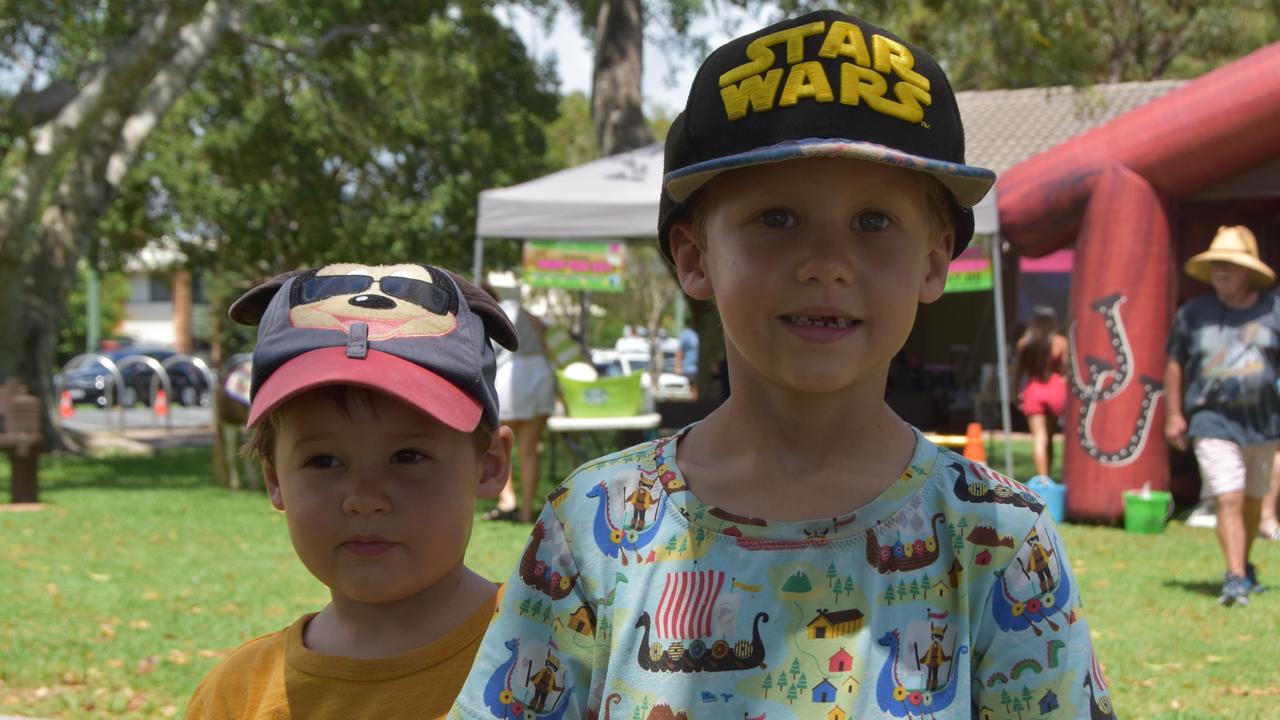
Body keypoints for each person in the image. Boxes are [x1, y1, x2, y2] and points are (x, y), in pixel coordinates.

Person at [451, 11, 1112, 720]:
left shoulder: (997, 538)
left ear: (935, 258)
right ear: (695, 259)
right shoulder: (593, 526)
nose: (826, 262)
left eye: (873, 221)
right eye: (776, 218)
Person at [187, 262, 516, 718]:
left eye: (408, 456)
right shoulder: (239, 694)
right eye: (323, 461)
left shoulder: (554, 651)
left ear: (490, 465)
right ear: (275, 478)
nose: (364, 497)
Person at [1165, 225, 1280, 606]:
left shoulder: (1273, 308)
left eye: (1229, 266)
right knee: (1228, 496)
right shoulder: (1193, 313)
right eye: (1216, 266)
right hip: (1211, 419)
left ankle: (1244, 566)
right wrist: (1174, 414)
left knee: (1252, 499)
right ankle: (1233, 577)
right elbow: (1175, 362)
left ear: (1247, 271)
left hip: (1263, 422)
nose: (1221, 273)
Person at [486, 285, 558, 524]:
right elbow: (545, 333)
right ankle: (527, 511)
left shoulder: (489, 314)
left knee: (497, 444)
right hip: (539, 375)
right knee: (529, 451)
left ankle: (508, 500)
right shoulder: (523, 311)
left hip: (510, 379)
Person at [1011, 306, 1068, 478]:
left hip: (1034, 389)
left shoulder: (1024, 343)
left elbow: (1018, 372)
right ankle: (1048, 475)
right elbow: (1066, 371)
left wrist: (1015, 392)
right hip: (1056, 389)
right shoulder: (1060, 342)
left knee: (1039, 437)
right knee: (1050, 437)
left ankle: (1043, 480)